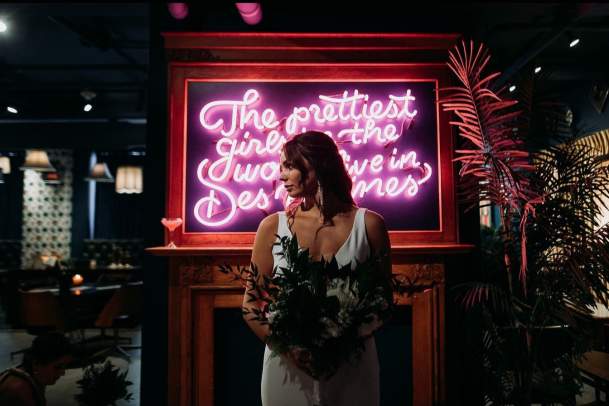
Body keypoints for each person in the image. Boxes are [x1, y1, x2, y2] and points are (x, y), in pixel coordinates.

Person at [243, 131, 391, 406]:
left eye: (289, 166)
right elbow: (251, 305)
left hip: (351, 364)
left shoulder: (370, 225)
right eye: (281, 167)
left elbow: (383, 302)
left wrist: (343, 344)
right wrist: (291, 350)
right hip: (287, 367)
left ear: (316, 166)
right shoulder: (271, 227)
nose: (281, 176)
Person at [0, 332, 73, 406]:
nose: (63, 373)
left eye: (65, 366)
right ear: (36, 364)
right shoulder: (19, 389)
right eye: (58, 367)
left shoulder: (35, 377)